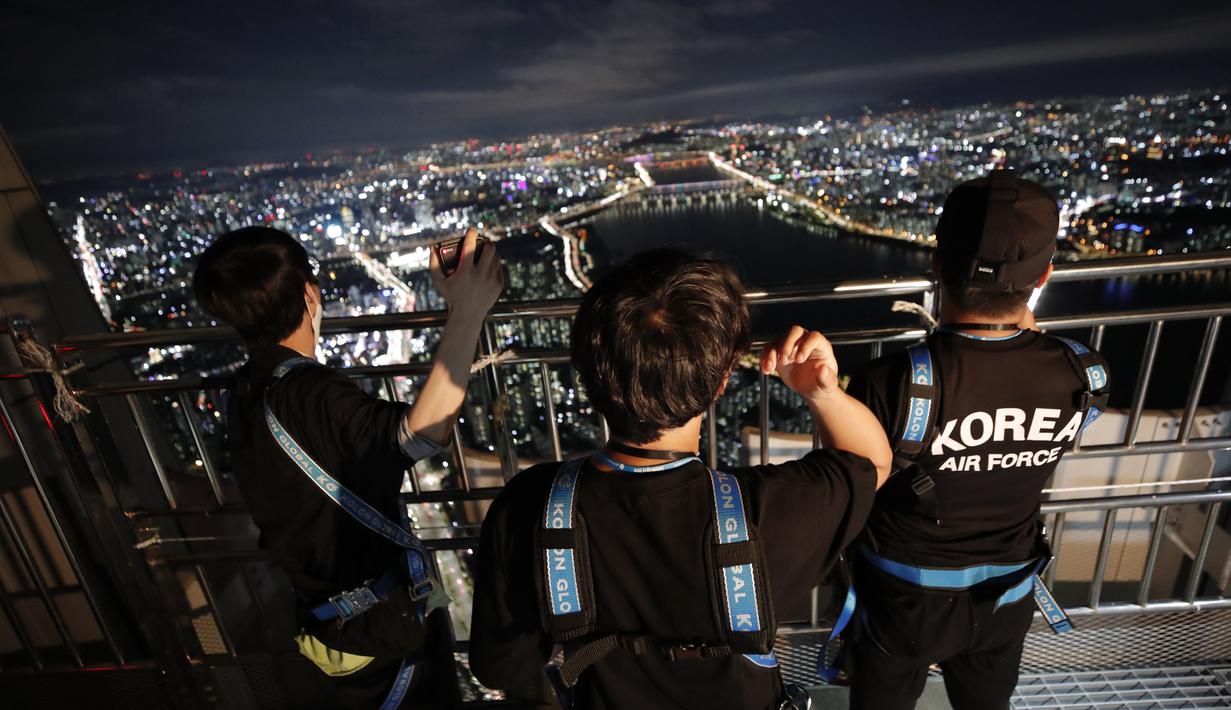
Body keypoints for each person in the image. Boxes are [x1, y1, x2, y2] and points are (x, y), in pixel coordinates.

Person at [468, 249, 892, 710]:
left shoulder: (531, 506)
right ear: (722, 380)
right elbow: (870, 462)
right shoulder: (769, 513)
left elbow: (500, 666)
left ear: (590, 374)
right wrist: (820, 392)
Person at [193, 227, 503, 709]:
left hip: (325, 625)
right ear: (309, 293)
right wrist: (468, 310)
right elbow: (422, 433)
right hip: (382, 634)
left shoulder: (244, 392)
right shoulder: (310, 394)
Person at [843, 171, 1111, 710]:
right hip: (1008, 594)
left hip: (905, 597)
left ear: (937, 264)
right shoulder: (1084, 374)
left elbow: (852, 477)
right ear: (1044, 276)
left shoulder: (893, 382)